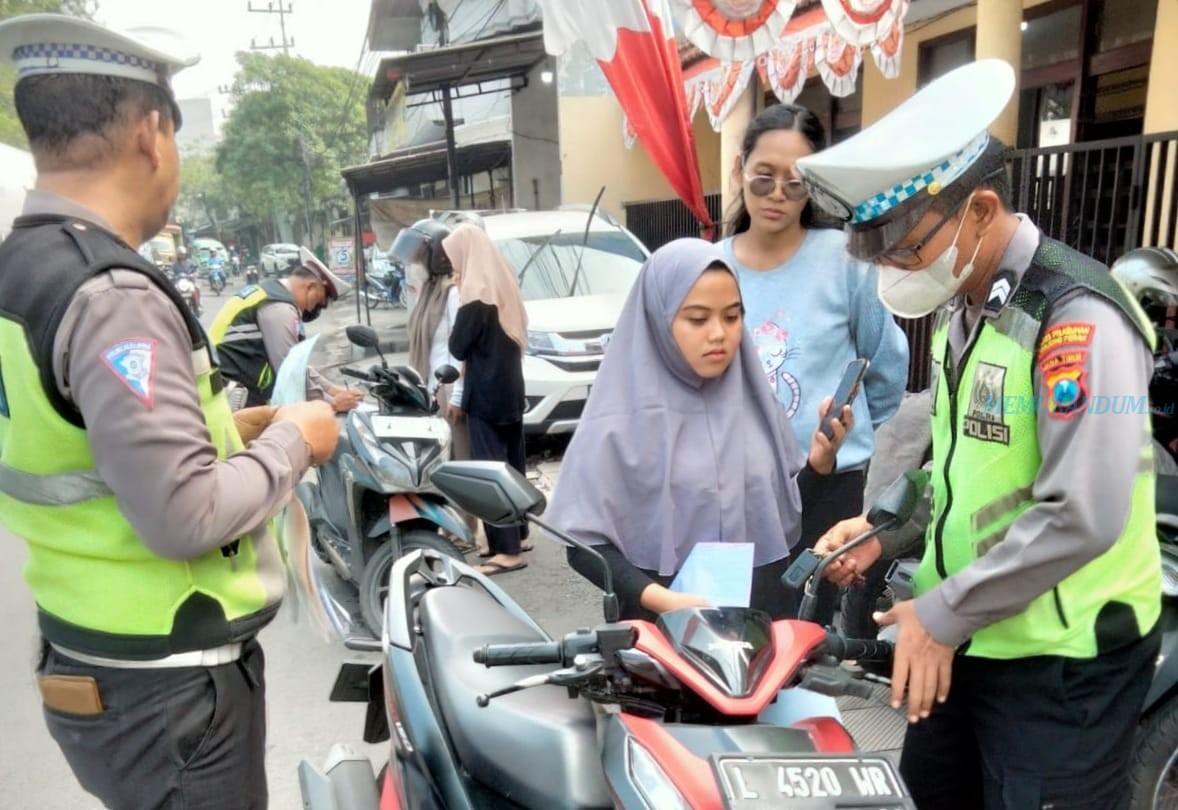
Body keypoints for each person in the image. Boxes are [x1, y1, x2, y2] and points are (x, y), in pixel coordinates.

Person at [799, 60, 1161, 809]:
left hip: (1064, 668)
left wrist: (938, 616)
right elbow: (970, 476)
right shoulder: (969, 309)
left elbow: (1083, 511)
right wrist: (887, 531)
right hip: (972, 637)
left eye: (905, 249)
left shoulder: (1076, 319)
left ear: (981, 209)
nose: (896, 271)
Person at [0, 14, 340, 809]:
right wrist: (296, 438)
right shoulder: (111, 295)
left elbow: (76, 440)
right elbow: (184, 515)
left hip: (90, 654)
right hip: (171, 690)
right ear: (153, 132)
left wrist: (233, 432)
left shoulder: (18, 270)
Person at [547, 238, 850, 620]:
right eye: (697, 318)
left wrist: (819, 466)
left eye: (732, 316)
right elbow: (583, 546)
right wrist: (662, 600)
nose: (719, 334)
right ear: (658, 319)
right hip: (664, 634)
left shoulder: (756, 404)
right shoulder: (616, 421)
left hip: (762, 630)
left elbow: (784, 523)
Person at [722, 102, 909, 627]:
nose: (778, 194)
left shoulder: (845, 259)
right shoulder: (711, 265)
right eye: (763, 179)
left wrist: (844, 433)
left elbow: (886, 369)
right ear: (740, 171)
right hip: (736, 490)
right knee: (735, 635)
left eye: (796, 180)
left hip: (828, 493)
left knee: (806, 644)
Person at [445, 223, 531, 576]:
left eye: (455, 259)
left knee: (490, 470)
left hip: (486, 393)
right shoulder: (504, 282)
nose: (454, 267)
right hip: (511, 388)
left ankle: (506, 551)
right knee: (513, 464)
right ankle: (520, 533)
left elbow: (457, 346)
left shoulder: (475, 295)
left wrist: (460, 291)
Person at [393, 218, 481, 548]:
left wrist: (457, 394)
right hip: (430, 385)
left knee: (460, 460)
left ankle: (465, 531)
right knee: (440, 463)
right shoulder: (430, 289)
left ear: (437, 255)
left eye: (421, 253)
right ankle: (448, 524)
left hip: (449, 386)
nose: (415, 259)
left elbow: (462, 348)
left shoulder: (454, 293)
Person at [209, 246, 364, 412]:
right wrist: (332, 404)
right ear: (310, 287)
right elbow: (290, 374)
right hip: (229, 402)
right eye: (317, 302)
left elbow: (295, 365)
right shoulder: (280, 309)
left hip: (227, 391)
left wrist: (333, 390)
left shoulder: (268, 293)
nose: (313, 310)